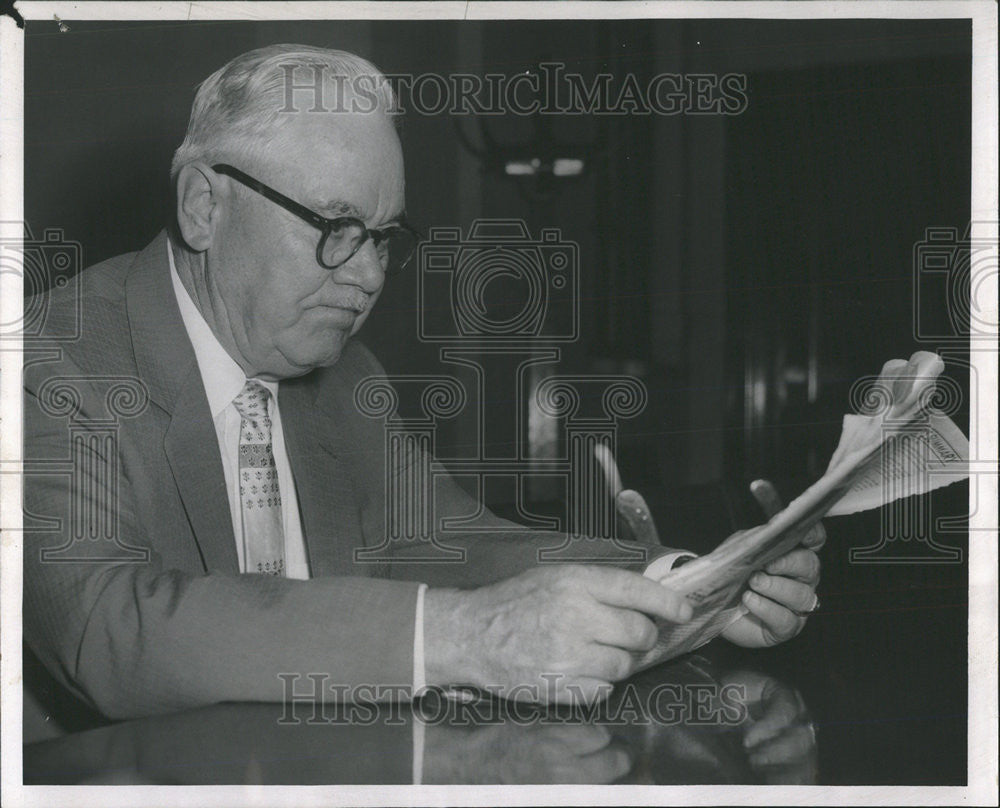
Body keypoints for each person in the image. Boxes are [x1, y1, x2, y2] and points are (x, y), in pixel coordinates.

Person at [23, 45, 822, 722]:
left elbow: (447, 537)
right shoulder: (49, 360)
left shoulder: (343, 375)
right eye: (336, 229)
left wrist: (683, 586)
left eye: (383, 238)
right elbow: (105, 626)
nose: (369, 275)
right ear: (203, 206)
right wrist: (463, 637)